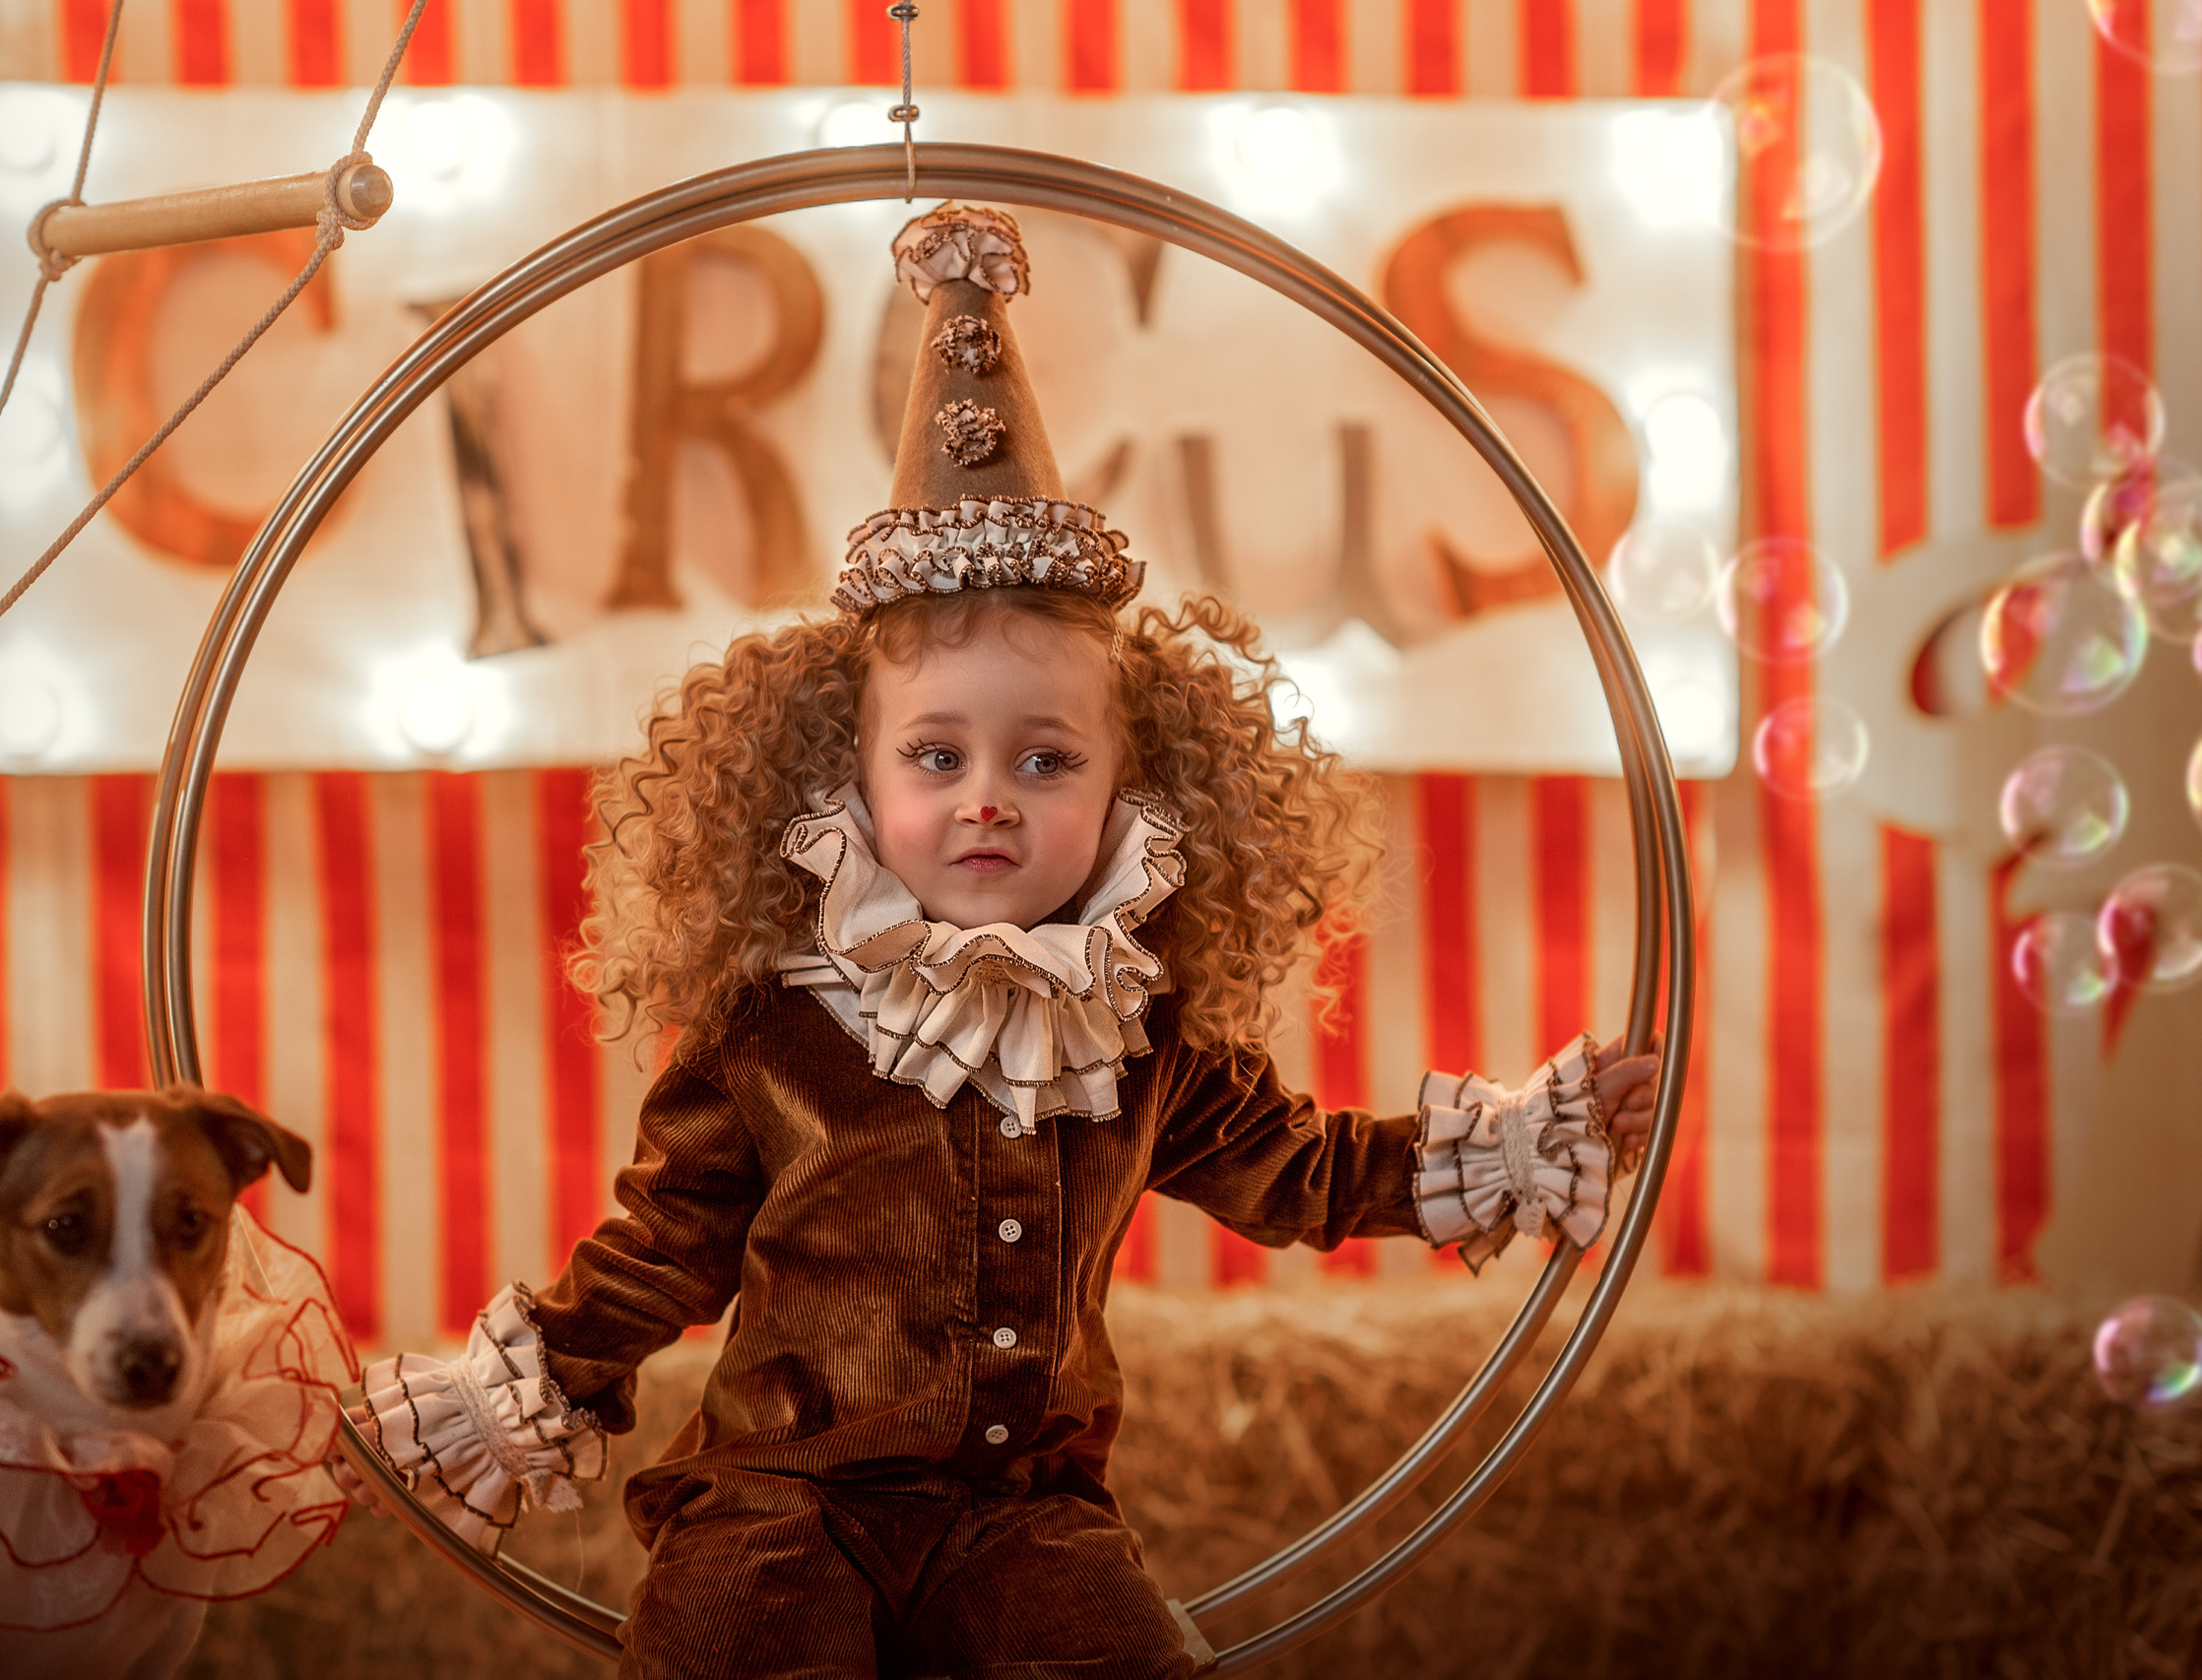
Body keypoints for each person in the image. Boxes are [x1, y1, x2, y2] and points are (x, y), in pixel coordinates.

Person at [330, 204, 1663, 1678]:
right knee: (726, 1646)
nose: (987, 798)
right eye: (936, 755)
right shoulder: (775, 1026)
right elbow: (665, 1252)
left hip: (1024, 1516)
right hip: (784, 1501)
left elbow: (1307, 1172)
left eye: (1045, 760)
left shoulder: (1142, 1033)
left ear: (1130, 789)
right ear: (850, 776)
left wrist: (1533, 1138)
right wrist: (501, 1402)